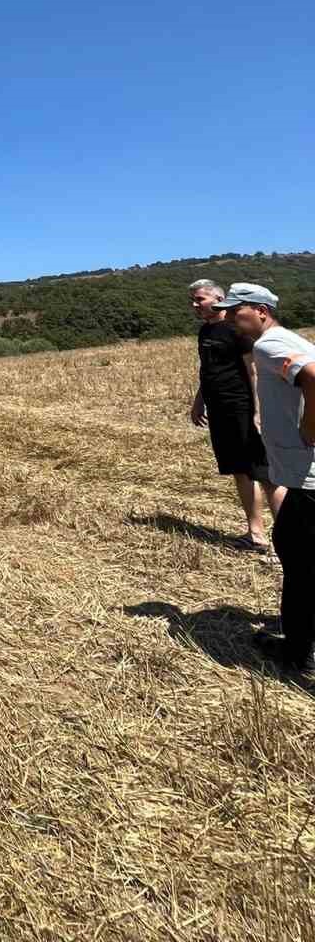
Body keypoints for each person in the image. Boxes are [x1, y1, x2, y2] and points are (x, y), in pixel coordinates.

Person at [214, 283, 315, 677]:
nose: (227, 317)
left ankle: (299, 653)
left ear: (259, 310)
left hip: (309, 478)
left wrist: (310, 424)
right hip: (304, 474)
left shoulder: (268, 345)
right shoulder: (289, 339)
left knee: (298, 557)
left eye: (234, 310)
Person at [187, 279, 283, 552]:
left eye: (200, 299)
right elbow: (208, 369)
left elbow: (254, 372)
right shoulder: (206, 332)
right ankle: (256, 534)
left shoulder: (236, 330)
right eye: (193, 301)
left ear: (218, 298)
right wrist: (199, 402)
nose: (195, 305)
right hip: (220, 411)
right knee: (240, 471)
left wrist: (258, 411)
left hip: (243, 409)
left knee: (265, 474)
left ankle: (288, 540)